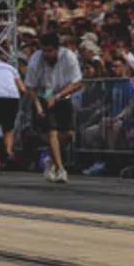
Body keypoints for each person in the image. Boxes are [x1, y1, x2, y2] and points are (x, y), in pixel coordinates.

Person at [25, 32, 84, 183]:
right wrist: (38, 106)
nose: (47, 54)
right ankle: (60, 168)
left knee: (68, 134)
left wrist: (57, 96)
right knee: (52, 132)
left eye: (50, 51)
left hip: (63, 95)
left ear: (57, 49)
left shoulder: (68, 57)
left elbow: (77, 83)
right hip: (43, 96)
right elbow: (30, 87)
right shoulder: (35, 61)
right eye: (44, 50)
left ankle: (50, 157)